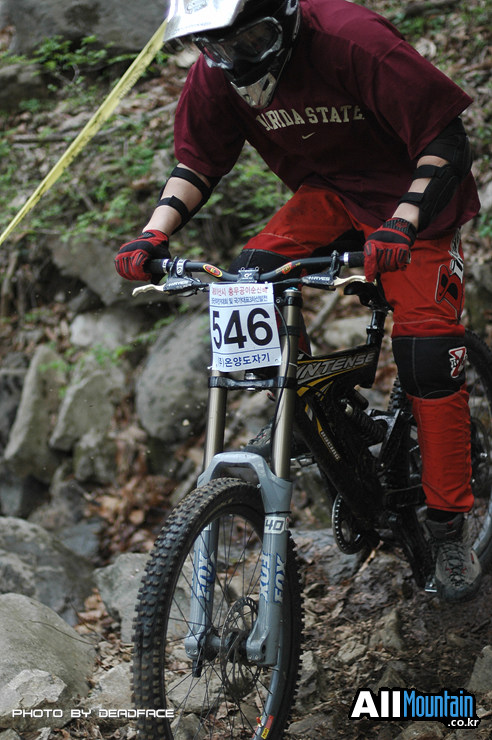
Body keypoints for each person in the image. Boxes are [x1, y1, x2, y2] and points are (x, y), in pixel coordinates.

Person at [114, 0, 482, 602]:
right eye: (219, 47)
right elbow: (198, 161)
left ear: (284, 15)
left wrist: (403, 222)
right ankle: (319, 417)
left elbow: (446, 140)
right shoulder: (215, 70)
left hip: (412, 203)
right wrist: (154, 234)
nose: (237, 57)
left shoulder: (352, 41)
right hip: (330, 195)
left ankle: (449, 527)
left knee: (426, 356)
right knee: (247, 286)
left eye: (251, 39)